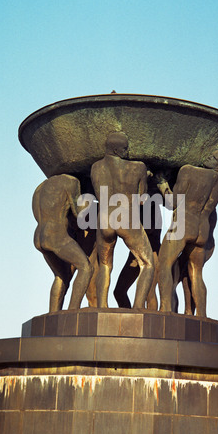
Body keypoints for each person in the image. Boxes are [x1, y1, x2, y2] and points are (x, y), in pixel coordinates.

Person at [157, 150, 218, 316]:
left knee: (164, 264)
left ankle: (165, 309)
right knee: (196, 273)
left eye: (214, 158)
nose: (208, 157)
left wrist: (163, 185)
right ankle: (201, 315)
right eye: (211, 155)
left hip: (184, 224)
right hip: (202, 229)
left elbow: (173, 202)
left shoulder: (188, 170)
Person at [90, 132, 154, 308]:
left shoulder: (96, 167)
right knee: (148, 263)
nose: (127, 151)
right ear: (117, 150)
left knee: (104, 265)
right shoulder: (138, 167)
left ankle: (102, 306)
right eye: (125, 148)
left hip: (104, 219)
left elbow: (97, 193)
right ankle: (139, 307)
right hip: (126, 217)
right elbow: (142, 197)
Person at [32, 174, 93, 312]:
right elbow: (78, 214)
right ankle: (72, 311)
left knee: (61, 276)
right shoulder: (71, 181)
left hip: (39, 236)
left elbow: (37, 213)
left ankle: (53, 314)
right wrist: (89, 202)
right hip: (56, 235)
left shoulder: (41, 187)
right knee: (86, 267)